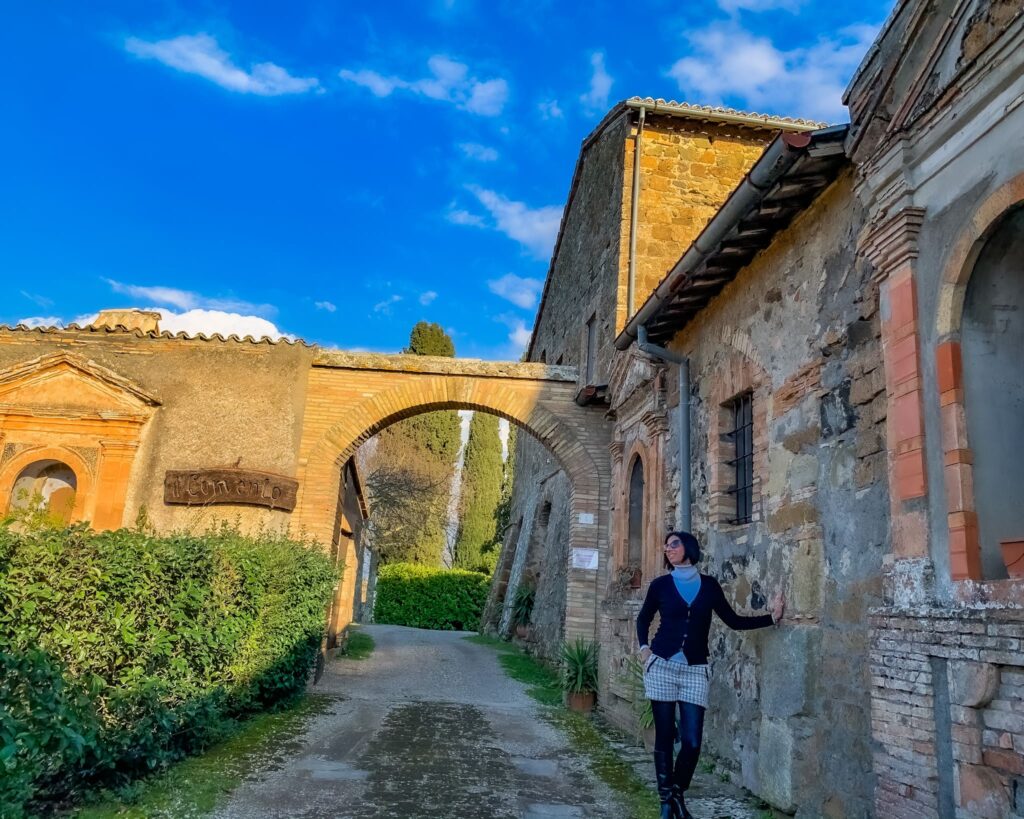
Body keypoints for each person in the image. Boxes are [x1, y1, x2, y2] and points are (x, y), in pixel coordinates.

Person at [636, 531, 784, 819]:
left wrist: (772, 617)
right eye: (666, 546)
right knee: (665, 736)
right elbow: (644, 618)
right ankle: (667, 802)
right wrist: (644, 650)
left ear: (689, 547)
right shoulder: (660, 586)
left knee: (692, 742)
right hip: (662, 665)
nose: (668, 549)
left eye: (674, 544)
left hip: (695, 669)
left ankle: (676, 793)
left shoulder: (710, 586)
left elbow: (733, 621)